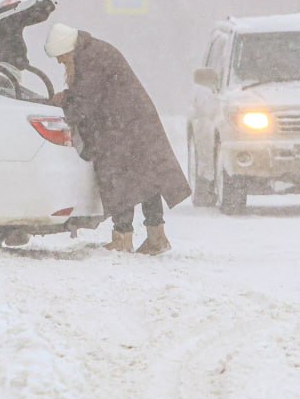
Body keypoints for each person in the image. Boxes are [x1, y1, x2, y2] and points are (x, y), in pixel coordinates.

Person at [44, 23, 191, 255]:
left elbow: (86, 101)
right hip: (132, 122)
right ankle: (157, 236)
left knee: (119, 180)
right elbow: (89, 91)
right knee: (147, 178)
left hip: (121, 127)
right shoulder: (93, 51)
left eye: (61, 57)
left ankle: (123, 238)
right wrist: (68, 97)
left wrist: (63, 113)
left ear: (67, 50)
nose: (60, 62)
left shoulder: (90, 58)